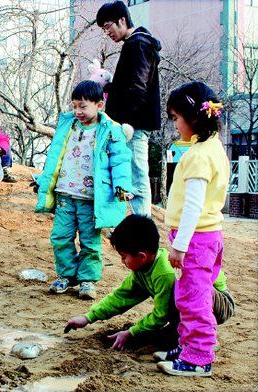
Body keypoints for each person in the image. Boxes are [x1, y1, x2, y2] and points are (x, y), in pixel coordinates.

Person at [65, 214, 235, 352]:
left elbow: (161, 315)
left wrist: (131, 333)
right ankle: (185, 333)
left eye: (124, 257)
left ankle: (204, 339)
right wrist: (87, 318)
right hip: (188, 307)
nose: (123, 261)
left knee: (183, 293)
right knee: (159, 338)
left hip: (218, 301)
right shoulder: (141, 270)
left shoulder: (164, 274)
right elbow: (121, 297)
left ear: (141, 256)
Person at [154, 82, 230, 377]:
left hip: (196, 240)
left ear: (194, 118)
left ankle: (198, 357)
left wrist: (179, 245)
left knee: (193, 298)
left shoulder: (199, 155)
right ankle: (188, 346)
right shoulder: (211, 147)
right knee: (194, 293)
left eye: (175, 118)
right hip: (207, 237)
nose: (174, 125)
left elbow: (193, 207)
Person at [34, 80, 132, 300]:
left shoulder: (111, 130)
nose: (77, 111)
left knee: (89, 240)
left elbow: (120, 162)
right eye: (74, 105)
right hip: (65, 195)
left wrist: (122, 188)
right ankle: (66, 275)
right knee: (60, 236)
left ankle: (87, 279)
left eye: (83, 106)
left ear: (99, 105)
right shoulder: (68, 124)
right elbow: (55, 157)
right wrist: (43, 180)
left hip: (91, 199)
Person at [97, 1, 162, 217]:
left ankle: (141, 231)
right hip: (131, 123)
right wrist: (109, 87)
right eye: (104, 29)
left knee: (136, 176)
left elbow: (136, 87)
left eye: (108, 26)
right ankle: (134, 226)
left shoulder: (138, 45)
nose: (107, 32)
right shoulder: (137, 44)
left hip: (133, 125)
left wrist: (124, 123)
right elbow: (130, 85)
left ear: (122, 20)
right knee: (129, 174)